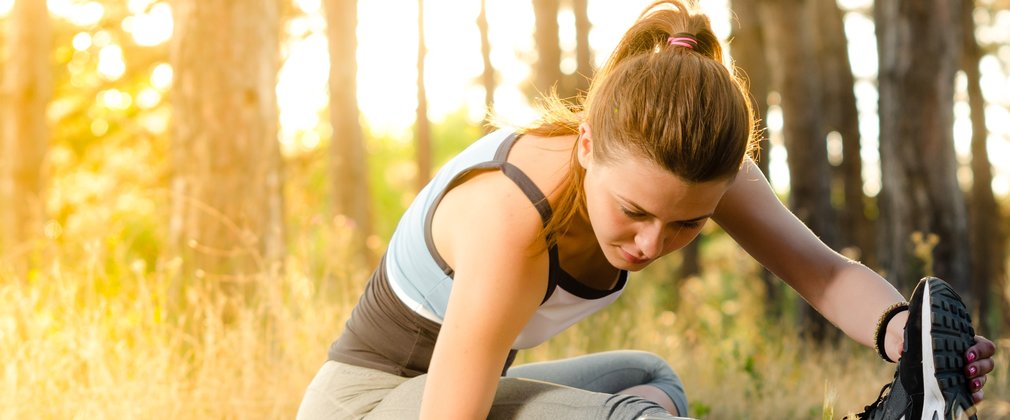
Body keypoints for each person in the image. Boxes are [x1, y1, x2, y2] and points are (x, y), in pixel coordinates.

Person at [296, 1, 997, 418]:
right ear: (587, 143)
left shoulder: (699, 165)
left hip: (442, 396)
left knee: (652, 381)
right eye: (633, 210)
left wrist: (902, 334)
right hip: (367, 407)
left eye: (688, 223)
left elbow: (822, 274)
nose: (652, 242)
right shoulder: (512, 219)